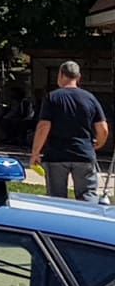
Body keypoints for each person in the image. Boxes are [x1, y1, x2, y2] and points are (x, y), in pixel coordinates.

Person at [31, 60, 110, 203]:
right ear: (78, 77)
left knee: (57, 199)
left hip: (57, 155)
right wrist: (98, 143)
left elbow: (44, 126)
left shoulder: (52, 97)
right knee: (88, 196)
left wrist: (36, 152)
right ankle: (88, 222)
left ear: (60, 75)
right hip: (84, 153)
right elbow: (103, 128)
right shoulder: (90, 98)